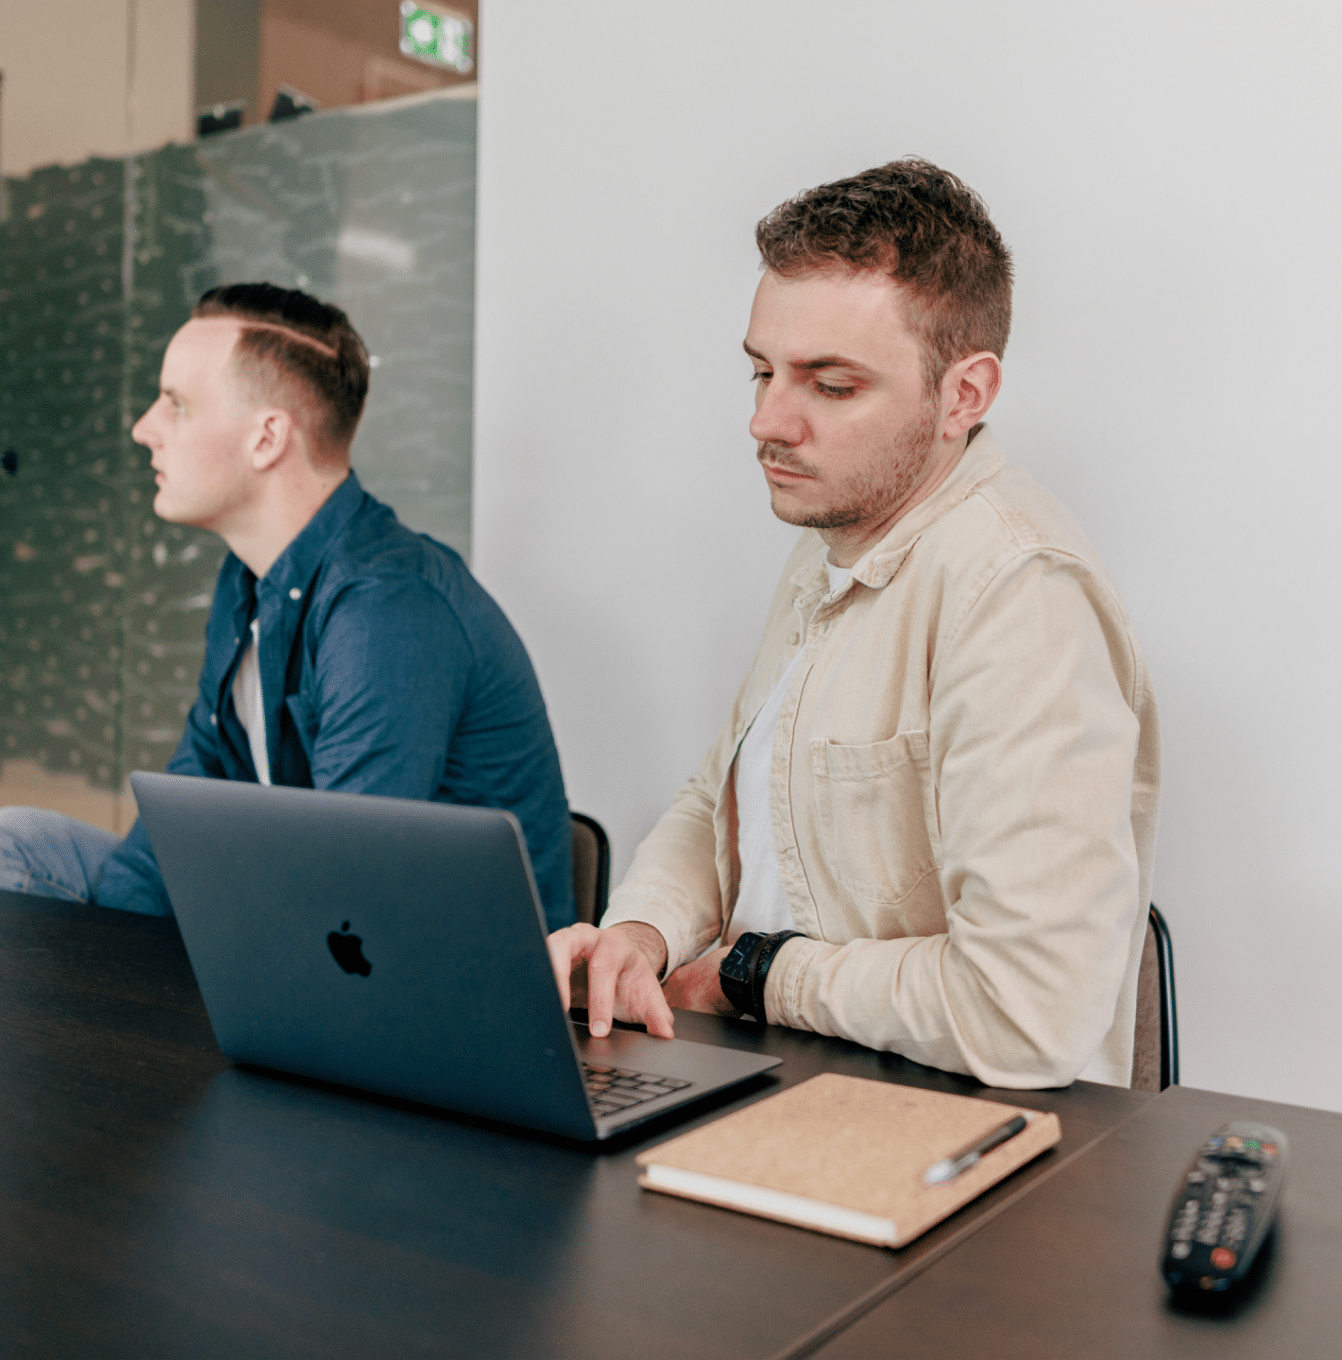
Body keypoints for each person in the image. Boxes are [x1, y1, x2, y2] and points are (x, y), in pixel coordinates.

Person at [548, 160, 1160, 1088]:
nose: (767, 421)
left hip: (942, 1137)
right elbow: (721, 800)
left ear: (965, 394)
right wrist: (640, 932)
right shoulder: (834, 531)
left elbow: (1025, 1013)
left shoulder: (1019, 596)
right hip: (782, 1081)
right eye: (761, 372)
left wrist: (756, 975)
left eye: (830, 386)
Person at [0, 283, 575, 930]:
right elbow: (186, 809)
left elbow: (345, 887)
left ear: (268, 438)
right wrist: (115, 963)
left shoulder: (387, 610)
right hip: (305, 913)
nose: (144, 429)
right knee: (12, 845)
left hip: (425, 974)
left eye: (177, 405)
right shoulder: (244, 582)